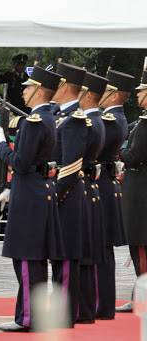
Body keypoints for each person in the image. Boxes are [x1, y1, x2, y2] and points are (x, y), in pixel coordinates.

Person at [0, 66, 63, 332]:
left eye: (27, 87)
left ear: (38, 90)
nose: (23, 91)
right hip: (38, 190)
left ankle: (28, 317)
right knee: (34, 259)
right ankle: (32, 314)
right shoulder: (48, 118)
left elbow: (22, 163)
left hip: (29, 194)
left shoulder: (35, 121)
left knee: (26, 258)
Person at [49, 62, 88, 326]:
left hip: (67, 195)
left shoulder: (74, 119)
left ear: (64, 87)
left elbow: (71, 166)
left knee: (64, 257)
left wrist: (53, 195)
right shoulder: (62, 115)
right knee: (59, 257)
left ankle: (65, 313)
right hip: (64, 193)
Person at [95, 69, 135, 320]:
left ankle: (101, 303)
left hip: (101, 185)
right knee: (101, 250)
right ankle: (102, 303)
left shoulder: (111, 120)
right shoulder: (116, 119)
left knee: (99, 250)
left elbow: (95, 153)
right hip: (106, 185)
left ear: (114, 94)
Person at [78, 71, 108, 322]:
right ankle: (86, 308)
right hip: (90, 188)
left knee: (83, 255)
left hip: (82, 189)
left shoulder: (90, 121)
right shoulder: (95, 120)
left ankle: (84, 309)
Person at [116, 69, 147, 313]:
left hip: (140, 191)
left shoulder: (145, 125)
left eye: (142, 92)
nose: (138, 96)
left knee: (140, 247)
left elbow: (134, 156)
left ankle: (142, 296)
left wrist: (119, 152)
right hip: (139, 187)